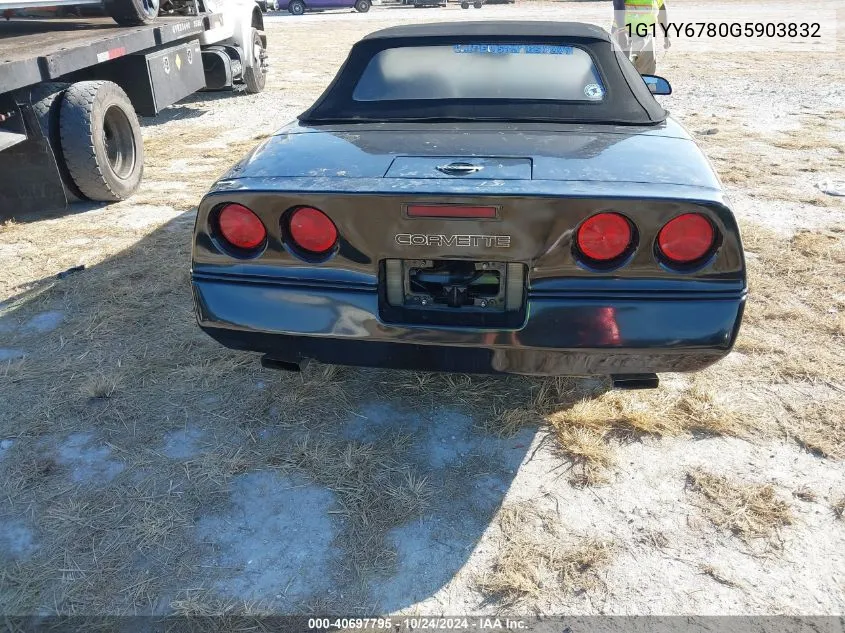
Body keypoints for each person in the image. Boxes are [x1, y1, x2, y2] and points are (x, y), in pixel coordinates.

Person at [612, 0, 671, 75]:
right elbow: (618, 3)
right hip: (626, 34)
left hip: (648, 34)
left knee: (647, 73)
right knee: (623, 72)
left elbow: (661, 6)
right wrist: (621, 31)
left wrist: (666, 33)